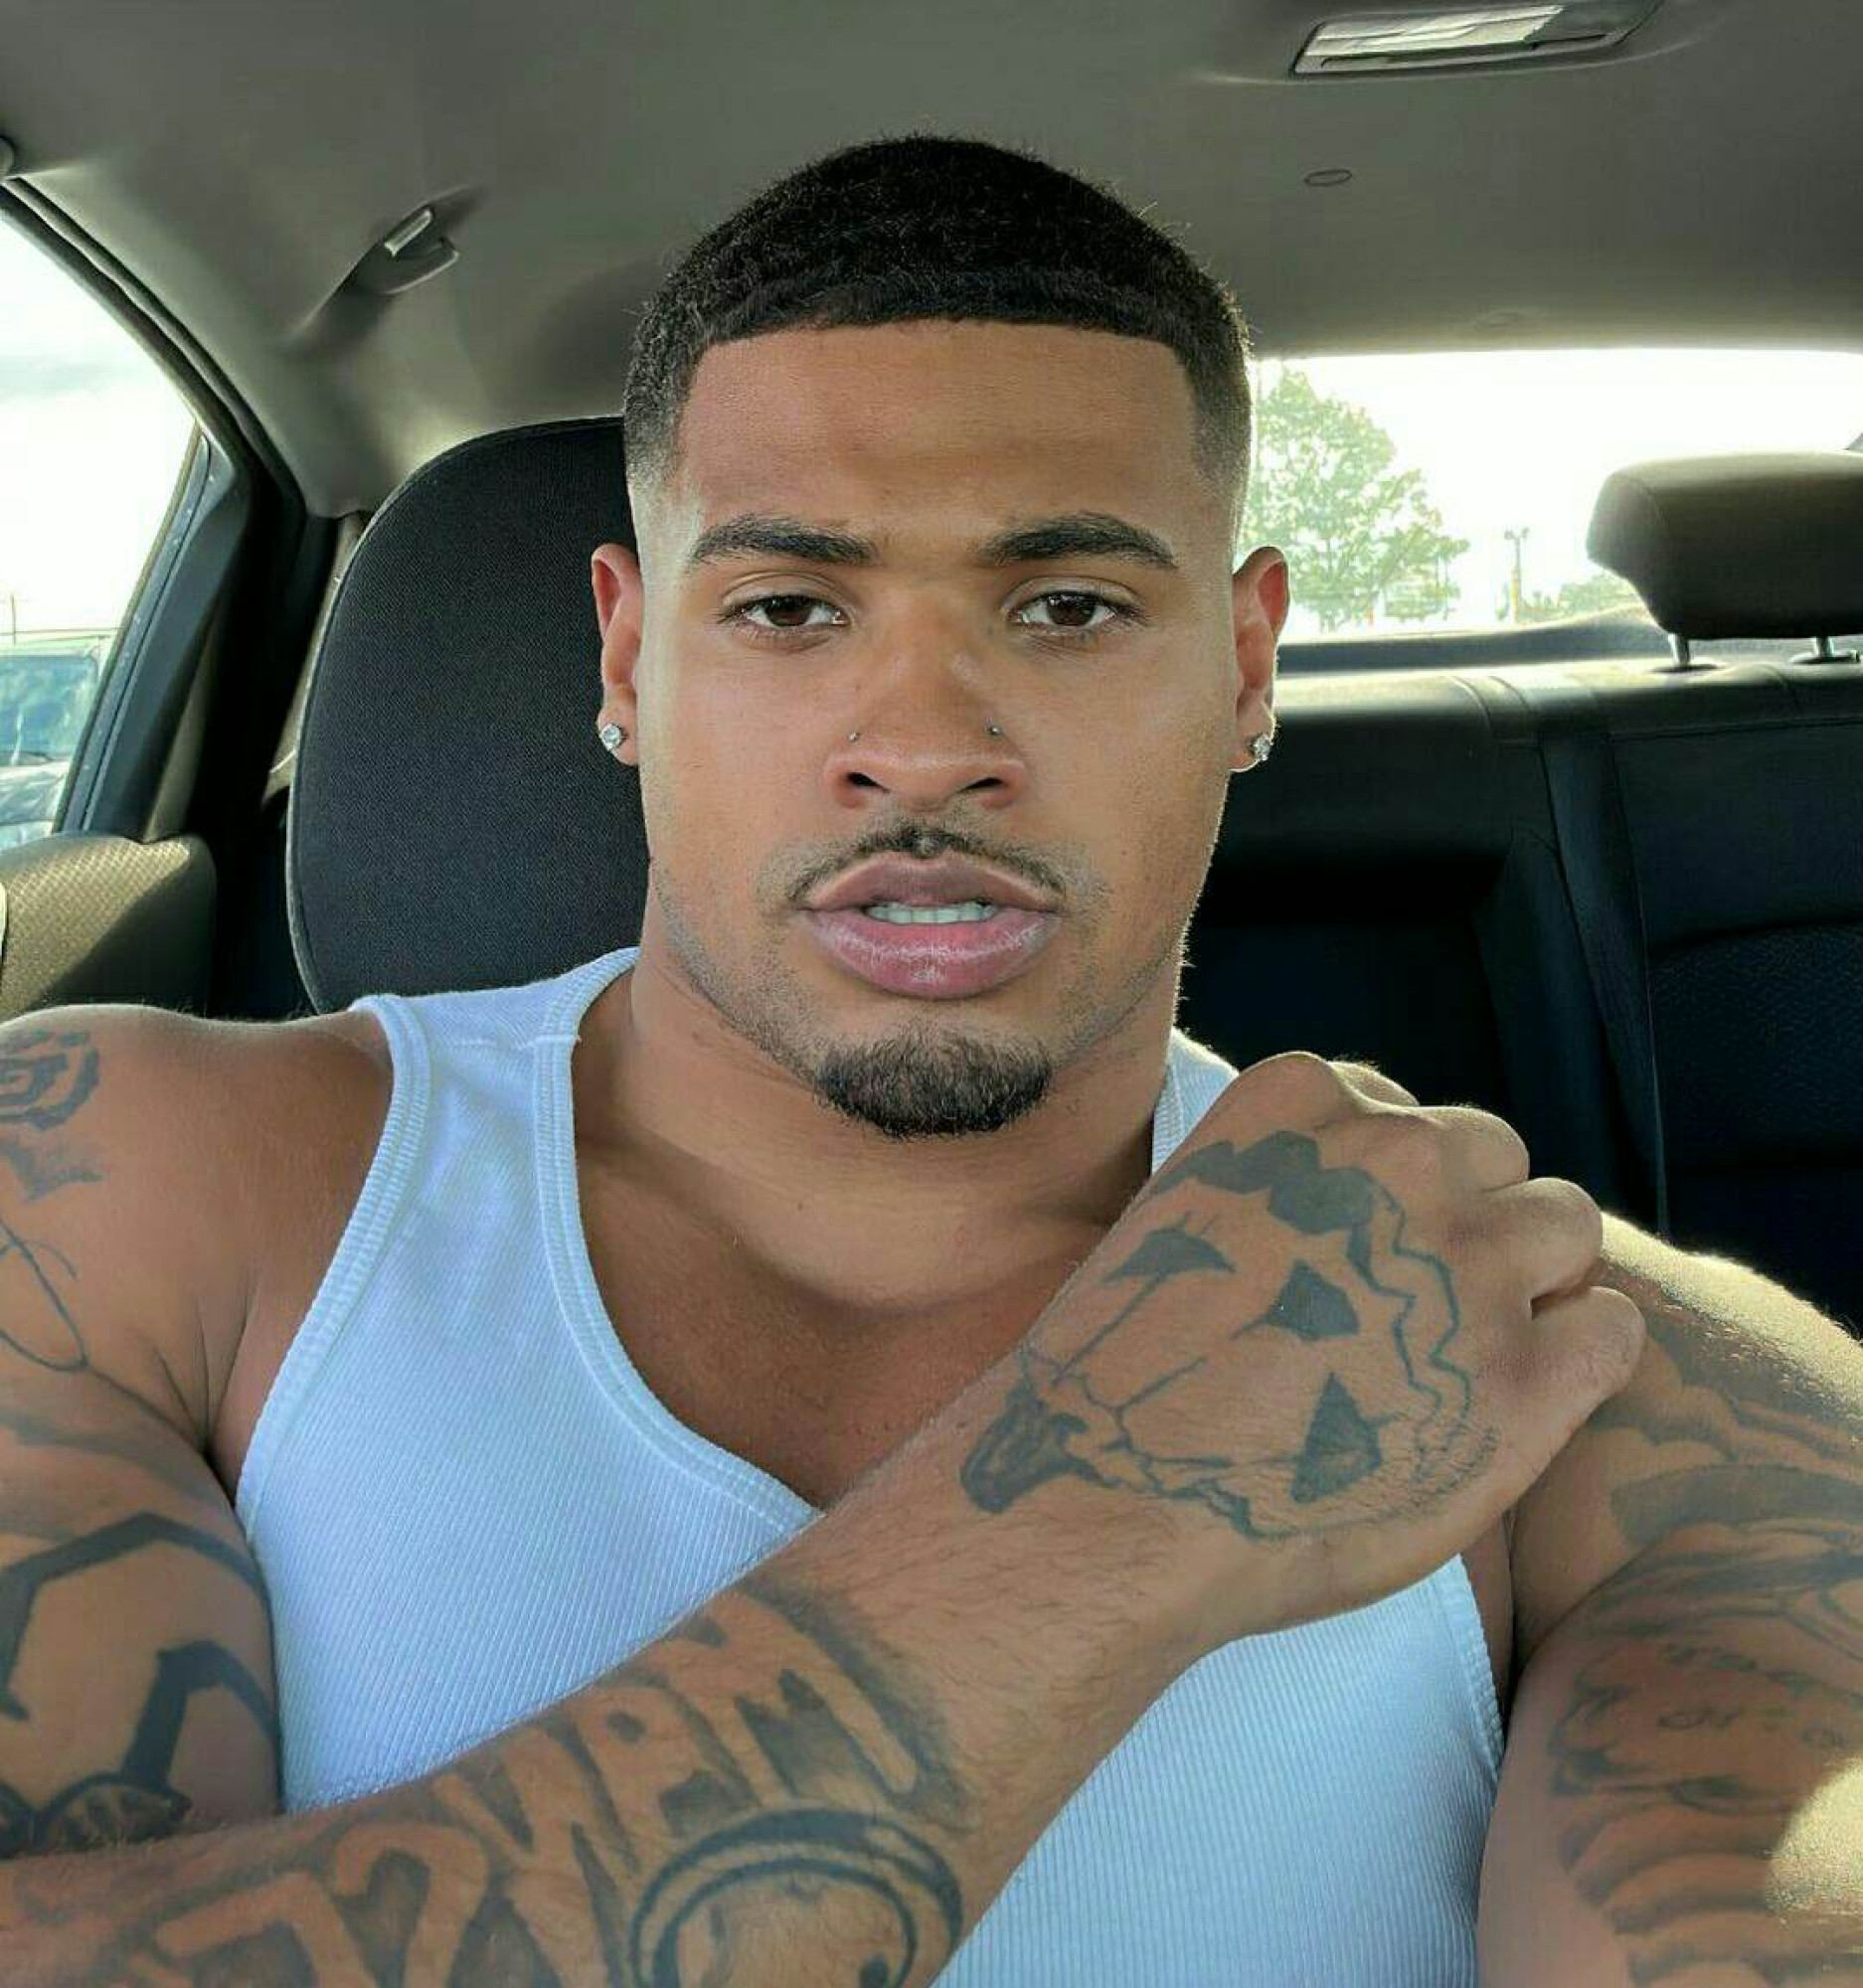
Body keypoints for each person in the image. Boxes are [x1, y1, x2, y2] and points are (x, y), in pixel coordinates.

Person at [2, 136, 1858, 1987]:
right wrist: (1109, 1511)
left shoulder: (1607, 1386)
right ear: (628, 663)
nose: (921, 746)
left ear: (1242, 667)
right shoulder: (114, 1204)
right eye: (789, 608)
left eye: (1066, 607)